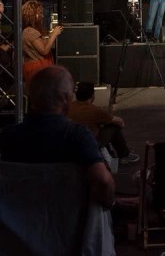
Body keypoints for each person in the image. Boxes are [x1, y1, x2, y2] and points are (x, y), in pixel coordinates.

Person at [0, 66, 115, 208]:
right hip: (69, 220)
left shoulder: (7, 136)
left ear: (31, 97)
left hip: (20, 217)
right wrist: (110, 205)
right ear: (66, 98)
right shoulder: (78, 136)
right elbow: (103, 180)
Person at [68, 81, 139, 163]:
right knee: (114, 127)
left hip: (70, 144)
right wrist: (106, 121)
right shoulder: (96, 111)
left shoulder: (68, 107)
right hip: (89, 145)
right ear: (92, 95)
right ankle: (124, 155)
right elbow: (121, 123)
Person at [21, 0, 63, 86]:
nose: (42, 16)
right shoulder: (30, 32)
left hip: (36, 69)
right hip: (37, 70)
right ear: (33, 15)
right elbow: (44, 50)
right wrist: (53, 35)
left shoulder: (28, 31)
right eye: (40, 13)